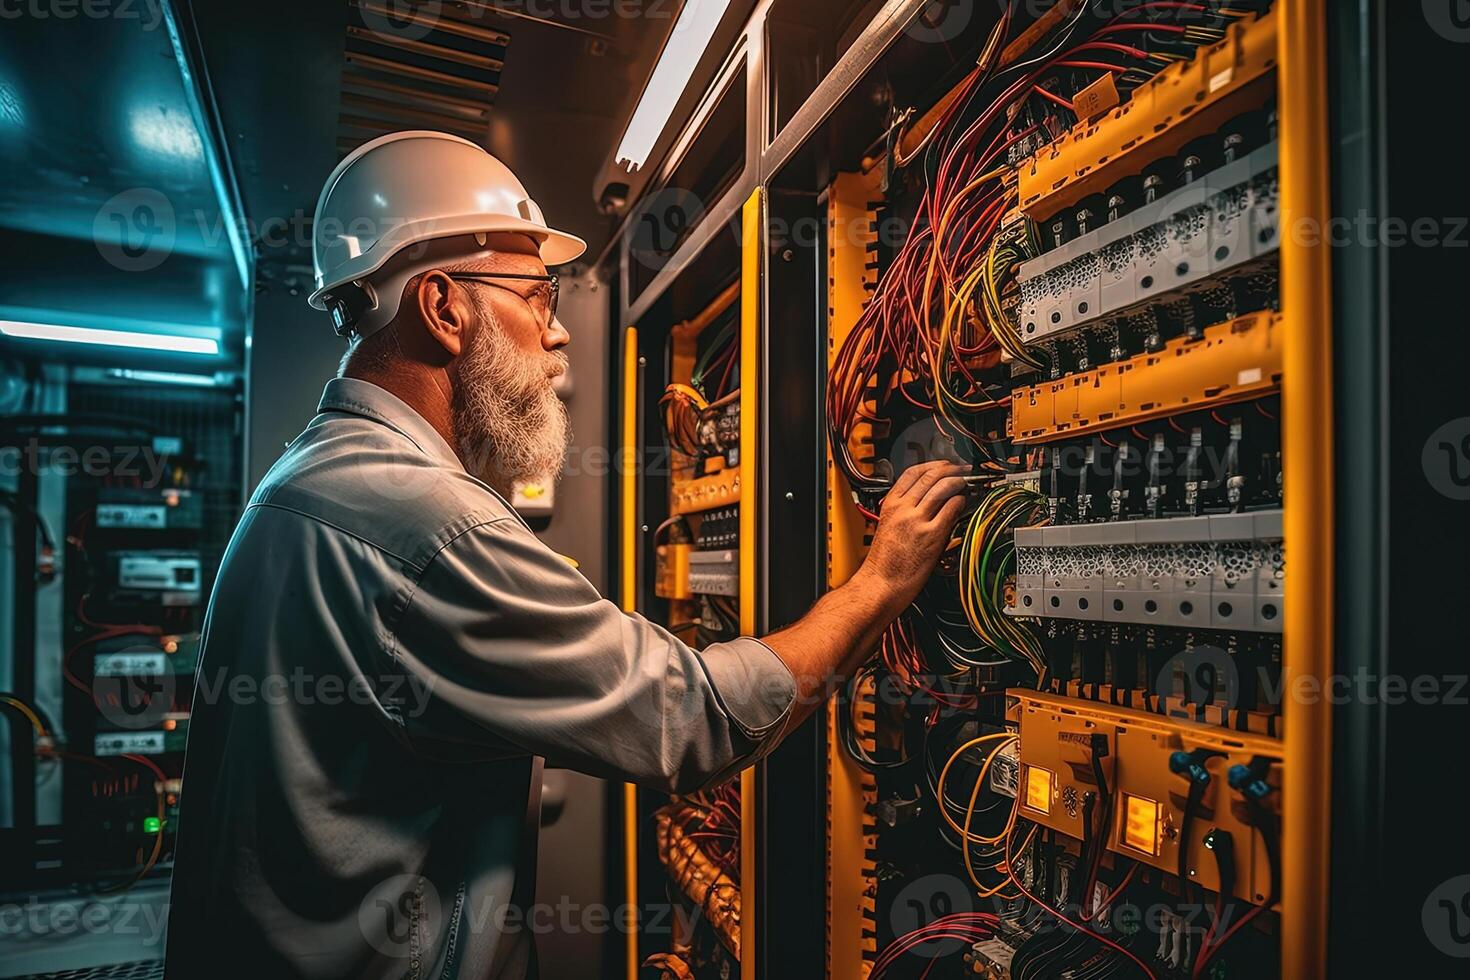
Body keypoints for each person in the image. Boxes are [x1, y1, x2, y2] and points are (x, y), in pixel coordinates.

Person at [164, 131, 970, 979]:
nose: (558, 337)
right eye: (537, 297)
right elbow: (694, 721)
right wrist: (879, 582)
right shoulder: (429, 524)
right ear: (444, 307)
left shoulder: (308, 477)